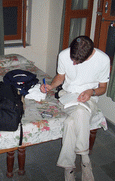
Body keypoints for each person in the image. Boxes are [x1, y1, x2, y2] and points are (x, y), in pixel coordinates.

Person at [40, 36, 110, 181]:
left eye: (77, 62)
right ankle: (85, 159)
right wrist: (51, 86)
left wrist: (91, 92)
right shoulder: (64, 55)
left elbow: (102, 88)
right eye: (72, 59)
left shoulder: (103, 59)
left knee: (70, 122)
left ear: (90, 54)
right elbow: (60, 76)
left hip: (89, 98)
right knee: (78, 112)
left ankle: (69, 168)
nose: (73, 63)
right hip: (67, 96)